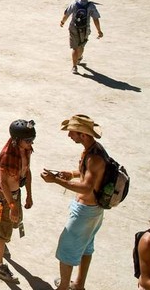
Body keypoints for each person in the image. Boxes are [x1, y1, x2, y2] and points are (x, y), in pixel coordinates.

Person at [41, 115, 108, 290]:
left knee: (66, 250)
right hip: (94, 211)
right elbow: (88, 174)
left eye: (72, 132)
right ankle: (79, 285)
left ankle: (63, 287)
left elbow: (86, 187)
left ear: (83, 135)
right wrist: (71, 173)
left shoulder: (94, 158)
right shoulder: (93, 150)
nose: (69, 135)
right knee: (86, 247)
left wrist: (55, 181)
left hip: (85, 212)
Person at [0, 120, 35, 284]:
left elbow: (27, 172)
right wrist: (12, 205)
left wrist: (29, 194)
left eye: (32, 140)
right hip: (3, 197)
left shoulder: (25, 149)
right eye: (28, 140)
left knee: (13, 222)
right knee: (3, 233)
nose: (31, 144)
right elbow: (4, 184)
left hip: (16, 194)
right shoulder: (7, 155)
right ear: (17, 140)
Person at [60, 0, 102, 74]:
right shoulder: (91, 6)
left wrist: (62, 22)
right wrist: (99, 31)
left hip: (73, 28)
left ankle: (74, 67)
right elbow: (95, 19)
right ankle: (79, 58)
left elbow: (67, 14)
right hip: (85, 29)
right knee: (81, 46)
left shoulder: (74, 3)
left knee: (75, 48)